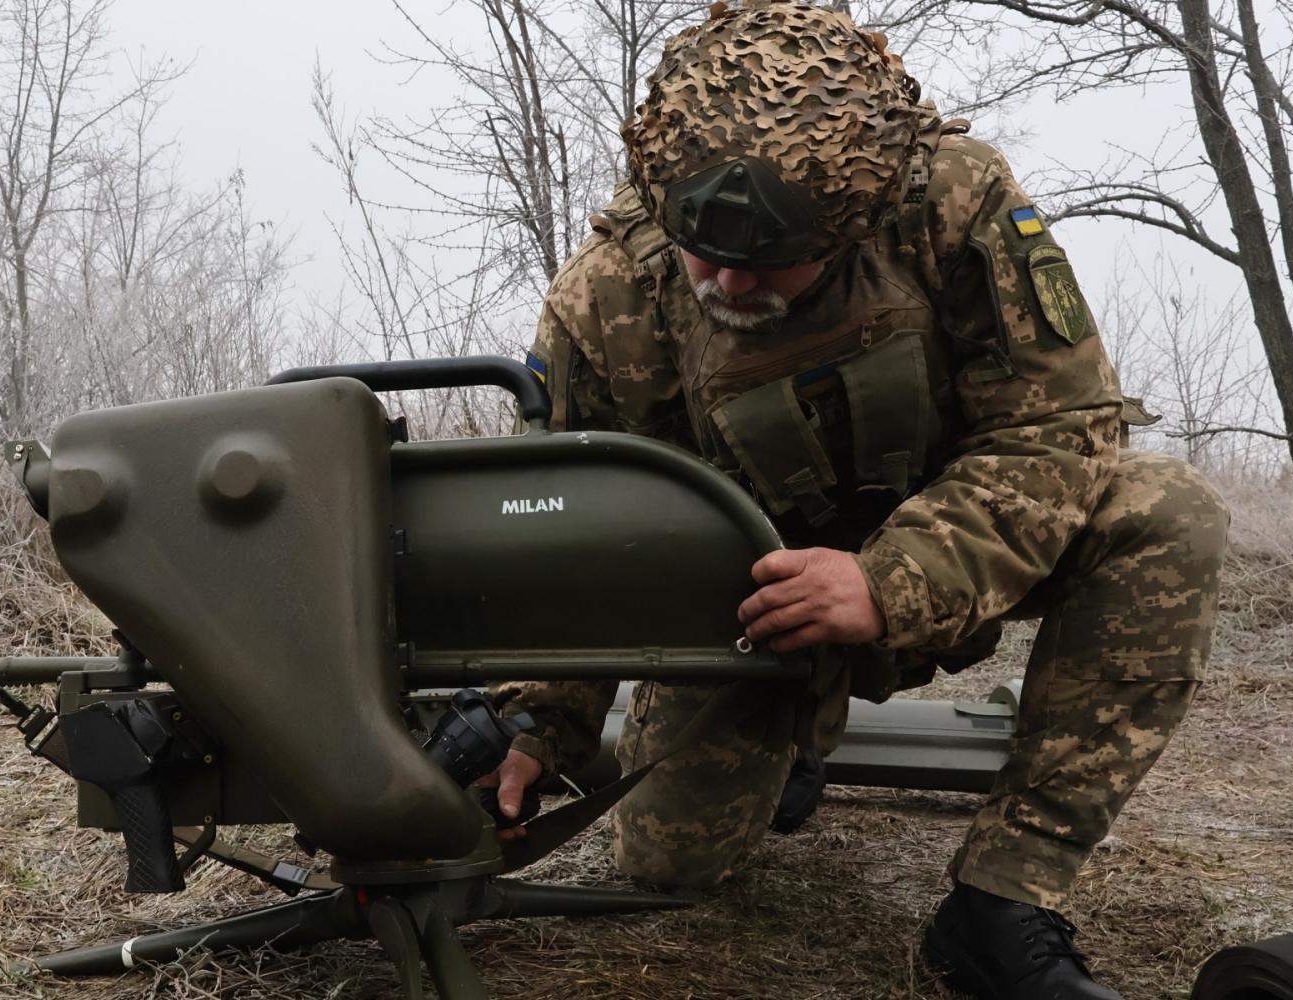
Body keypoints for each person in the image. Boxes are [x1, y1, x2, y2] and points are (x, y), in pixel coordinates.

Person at [483, 2, 1230, 998]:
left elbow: (1060, 426)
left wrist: (890, 580)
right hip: (745, 621)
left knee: (1166, 510)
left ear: (853, 220)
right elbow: (571, 523)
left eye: (765, 260)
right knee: (669, 872)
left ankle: (1003, 897)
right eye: (703, 251)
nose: (727, 282)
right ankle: (792, 723)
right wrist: (540, 728)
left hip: (939, 558)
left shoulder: (949, 200)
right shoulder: (609, 289)